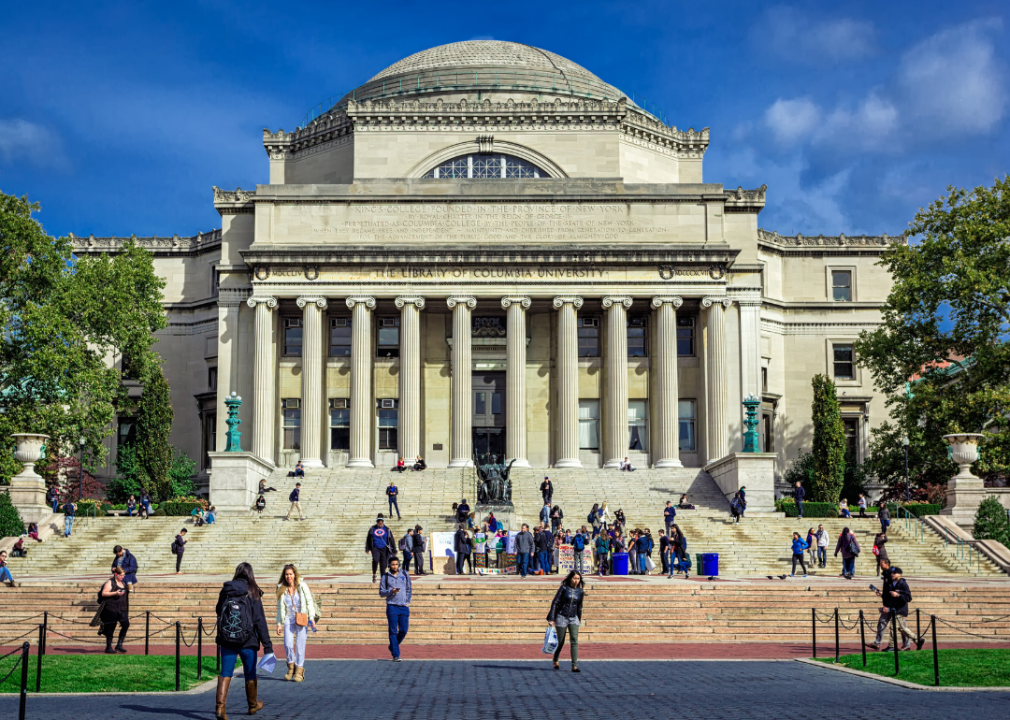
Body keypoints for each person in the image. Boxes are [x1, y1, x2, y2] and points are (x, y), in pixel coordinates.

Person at [214, 562, 274, 720]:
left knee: (225, 673)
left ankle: (220, 708)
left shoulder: (226, 590)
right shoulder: (252, 591)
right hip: (248, 641)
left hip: (227, 639)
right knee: (250, 673)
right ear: (250, 575)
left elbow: (218, 610)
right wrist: (268, 646)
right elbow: (259, 620)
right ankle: (252, 705)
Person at [275, 564, 315, 682]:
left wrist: (311, 618)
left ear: (295, 574)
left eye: (290, 574)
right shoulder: (281, 588)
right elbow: (279, 607)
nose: (289, 576)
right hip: (289, 618)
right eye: (286, 574)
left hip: (302, 617)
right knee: (287, 644)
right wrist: (279, 623)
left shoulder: (302, 586)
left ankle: (299, 670)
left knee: (300, 645)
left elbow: (309, 601)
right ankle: (291, 667)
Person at [869, 562, 921, 652]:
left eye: (894, 573)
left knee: (898, 628)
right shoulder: (893, 583)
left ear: (899, 575)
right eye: (892, 573)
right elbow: (890, 595)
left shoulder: (902, 584)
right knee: (900, 628)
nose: (892, 574)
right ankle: (916, 640)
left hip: (900, 609)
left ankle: (894, 645)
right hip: (893, 608)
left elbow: (908, 598)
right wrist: (882, 595)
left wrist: (897, 595)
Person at [547, 570, 585, 672]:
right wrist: (552, 618)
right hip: (562, 616)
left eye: (578, 578)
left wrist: (579, 619)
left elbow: (579, 606)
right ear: (570, 578)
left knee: (574, 640)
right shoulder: (564, 588)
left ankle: (574, 665)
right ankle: (555, 659)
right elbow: (555, 602)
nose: (576, 580)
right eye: (574, 578)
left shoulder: (580, 591)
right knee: (561, 642)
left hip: (573, 617)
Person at [379, 555, 412, 662]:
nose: (395, 566)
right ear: (389, 565)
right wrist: (390, 591)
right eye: (393, 564)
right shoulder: (385, 576)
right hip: (392, 606)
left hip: (403, 607)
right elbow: (381, 592)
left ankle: (393, 646)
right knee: (393, 631)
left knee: (403, 630)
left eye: (396, 564)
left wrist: (407, 602)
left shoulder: (405, 574)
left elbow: (409, 589)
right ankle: (396, 654)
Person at [99, 566, 130, 653]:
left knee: (126, 624)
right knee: (110, 627)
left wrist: (129, 589)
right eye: (121, 575)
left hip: (122, 608)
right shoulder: (110, 582)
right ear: (116, 574)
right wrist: (115, 593)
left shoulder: (123, 582)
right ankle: (108, 647)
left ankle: (119, 645)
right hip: (111, 608)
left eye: (123, 575)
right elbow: (104, 593)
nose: (122, 577)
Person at [366, 516, 393, 582]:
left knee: (383, 563)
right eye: (379, 523)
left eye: (381, 523)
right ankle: (374, 574)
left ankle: (383, 578)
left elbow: (391, 539)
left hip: (384, 548)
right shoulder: (372, 528)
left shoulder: (387, 529)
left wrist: (394, 549)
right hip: (375, 547)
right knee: (375, 560)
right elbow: (368, 539)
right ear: (377, 523)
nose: (380, 525)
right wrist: (367, 548)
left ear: (383, 523)